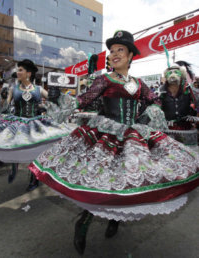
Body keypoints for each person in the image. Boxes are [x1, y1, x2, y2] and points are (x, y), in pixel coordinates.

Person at [28, 30, 199, 254]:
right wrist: (58, 97)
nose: (114, 54)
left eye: (120, 50)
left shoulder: (139, 83)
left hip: (133, 136)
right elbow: (84, 99)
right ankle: (84, 222)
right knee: (100, 182)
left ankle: (115, 220)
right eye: (112, 51)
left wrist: (151, 111)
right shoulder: (104, 79)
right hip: (105, 136)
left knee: (129, 180)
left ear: (130, 56)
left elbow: (156, 100)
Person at [0, 59, 73, 188]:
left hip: (35, 124)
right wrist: (2, 99)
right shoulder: (13, 89)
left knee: (36, 151)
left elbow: (58, 102)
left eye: (20, 70)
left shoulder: (39, 89)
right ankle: (14, 167)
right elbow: (2, 108)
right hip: (17, 122)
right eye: (18, 70)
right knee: (14, 146)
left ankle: (34, 178)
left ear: (28, 73)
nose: (18, 72)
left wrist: (57, 95)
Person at [160, 63, 198, 145]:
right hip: (167, 131)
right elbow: (155, 110)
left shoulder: (190, 90)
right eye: (170, 73)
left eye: (176, 72)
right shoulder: (160, 92)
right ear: (166, 75)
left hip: (187, 130)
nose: (173, 75)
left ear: (182, 74)